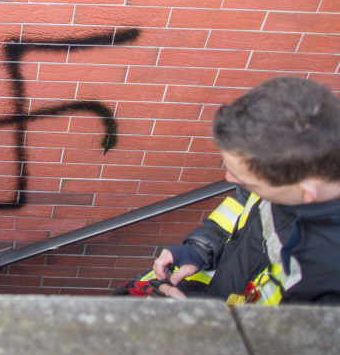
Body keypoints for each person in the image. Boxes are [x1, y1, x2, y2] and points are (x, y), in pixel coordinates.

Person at [115, 76, 340, 304]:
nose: (229, 179)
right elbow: (239, 209)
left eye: (246, 179)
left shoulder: (327, 286)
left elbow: (271, 338)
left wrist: (200, 318)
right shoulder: (286, 179)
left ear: (306, 191)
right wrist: (201, 250)